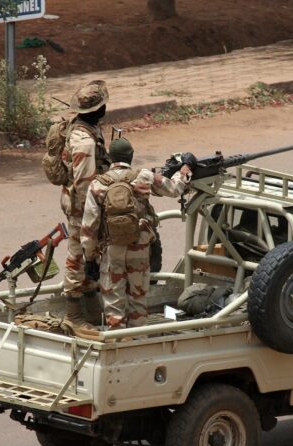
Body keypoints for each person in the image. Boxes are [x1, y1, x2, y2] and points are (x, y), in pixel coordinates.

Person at [81, 138, 195, 329]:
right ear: (131, 156)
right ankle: (138, 338)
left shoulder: (97, 185)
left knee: (114, 302)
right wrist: (184, 170)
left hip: (112, 249)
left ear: (110, 157)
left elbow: (89, 227)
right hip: (139, 247)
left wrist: (90, 258)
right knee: (138, 298)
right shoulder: (144, 176)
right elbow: (174, 188)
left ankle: (116, 339)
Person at [60, 80, 111, 332]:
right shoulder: (85, 142)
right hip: (83, 207)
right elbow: (84, 184)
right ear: (99, 110)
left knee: (92, 255)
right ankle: (72, 314)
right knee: (77, 257)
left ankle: (91, 307)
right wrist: (92, 214)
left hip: (86, 205)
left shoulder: (88, 128)